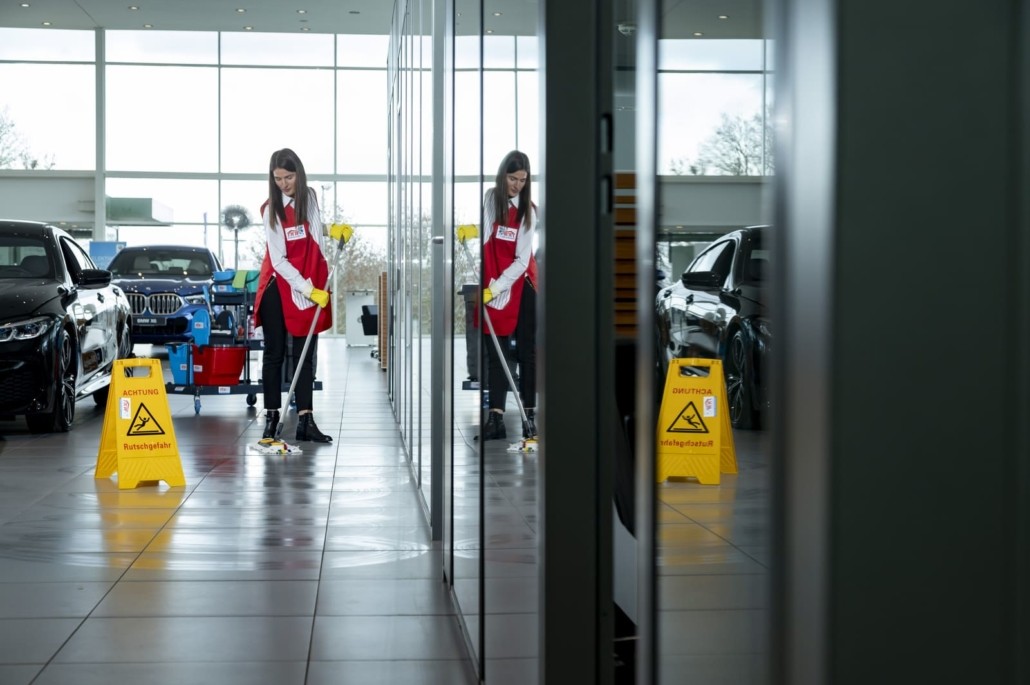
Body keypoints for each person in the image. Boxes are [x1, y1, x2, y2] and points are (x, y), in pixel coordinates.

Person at [253, 148, 348, 443]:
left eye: (289, 177)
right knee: (275, 353)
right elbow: (279, 260)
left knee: (306, 353)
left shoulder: (310, 198)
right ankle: (271, 419)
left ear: (299, 173)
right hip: (277, 287)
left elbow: (313, 234)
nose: (283, 183)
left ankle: (306, 420)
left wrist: (334, 231)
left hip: (309, 283)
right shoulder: (272, 209)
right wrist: (309, 290)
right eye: (278, 178)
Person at [477, 150, 538, 441]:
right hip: (493, 284)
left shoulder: (529, 211)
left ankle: (530, 414)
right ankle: (496, 420)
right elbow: (487, 243)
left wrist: (497, 286)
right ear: (503, 176)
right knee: (496, 353)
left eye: (522, 180)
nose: (517, 185)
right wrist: (488, 286)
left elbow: (522, 261)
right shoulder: (491, 199)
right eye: (512, 178)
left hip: (522, 284)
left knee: (526, 353)